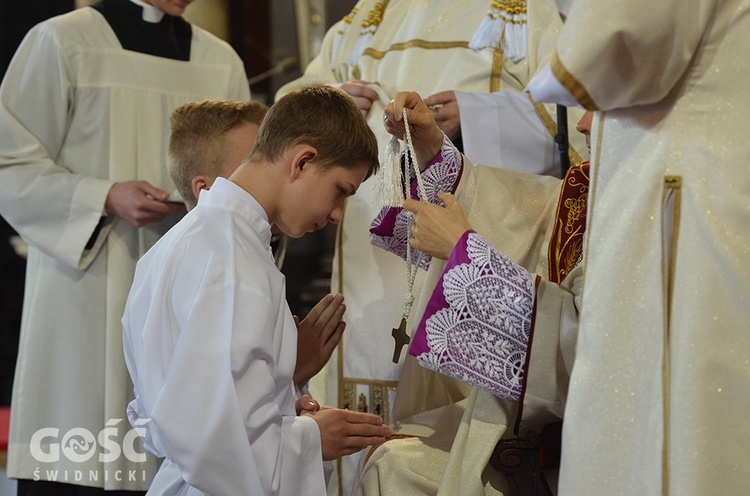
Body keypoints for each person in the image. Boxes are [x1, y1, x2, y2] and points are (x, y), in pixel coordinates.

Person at [277, 2, 587, 491]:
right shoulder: (370, 16)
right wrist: (328, 106)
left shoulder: (527, 12)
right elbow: (285, 114)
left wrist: (481, 117)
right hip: (366, 244)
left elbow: (580, 120)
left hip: (490, 246)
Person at [0, 0, 250, 493]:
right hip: (88, 283)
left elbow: (249, 172)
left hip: (190, 287)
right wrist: (104, 196)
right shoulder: (62, 41)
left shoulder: (222, 61)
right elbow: (9, 162)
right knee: (85, 446)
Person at [522, 0, 750, 494]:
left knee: (675, 418)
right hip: (701, 162)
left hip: (688, 185)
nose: (583, 123)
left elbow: (611, 45)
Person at [121, 84, 391, 495]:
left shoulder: (184, 241)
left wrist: (283, 403)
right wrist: (313, 438)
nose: (337, 214)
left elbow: (184, 409)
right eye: (341, 190)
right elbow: (216, 445)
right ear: (302, 161)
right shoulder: (234, 259)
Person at [354, 91, 590, 495]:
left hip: (582, 445)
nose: (581, 124)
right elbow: (528, 211)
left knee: (397, 470)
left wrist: (466, 250)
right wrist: (431, 151)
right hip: (536, 420)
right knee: (392, 460)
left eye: (598, 110)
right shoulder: (593, 188)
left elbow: (589, 352)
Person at [166, 98, 345, 389]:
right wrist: (292, 372)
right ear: (204, 189)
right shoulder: (228, 267)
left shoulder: (243, 251)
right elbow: (219, 416)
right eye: (251, 161)